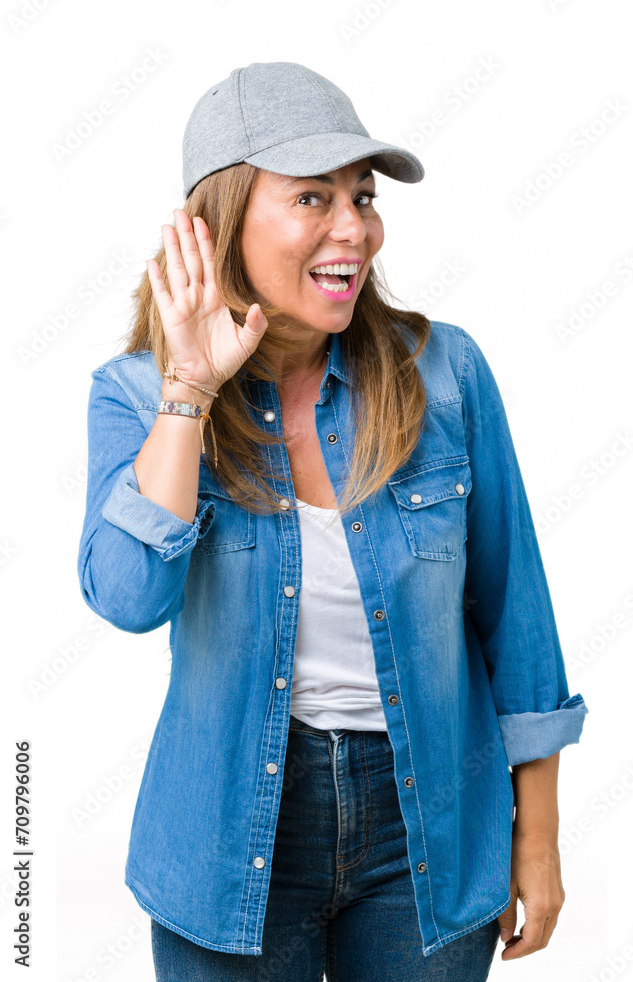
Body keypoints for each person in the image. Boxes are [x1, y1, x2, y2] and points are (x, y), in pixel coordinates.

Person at [77, 61, 589, 982]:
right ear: (222, 221)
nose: (354, 227)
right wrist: (192, 389)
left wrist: (539, 835)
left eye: (362, 195)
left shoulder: (446, 375)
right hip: (231, 832)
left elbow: (516, 613)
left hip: (428, 821)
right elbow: (126, 596)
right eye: (312, 197)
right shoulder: (136, 396)